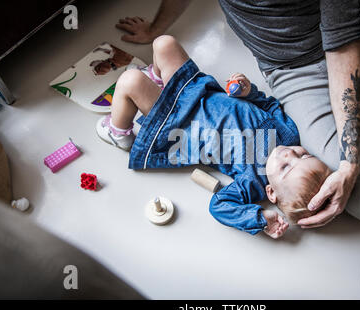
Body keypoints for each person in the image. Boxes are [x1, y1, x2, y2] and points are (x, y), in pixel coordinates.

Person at [116, 0, 360, 228]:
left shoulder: (279, 148)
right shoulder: (266, 168)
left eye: (297, 156)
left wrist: (350, 159)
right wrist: (157, 27)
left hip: (357, 46)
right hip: (293, 71)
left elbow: (343, 43)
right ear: (270, 194)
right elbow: (224, 202)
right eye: (298, 157)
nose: (294, 152)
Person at [95, 36, 332, 239]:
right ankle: (159, 81)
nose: (291, 153)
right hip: (198, 93)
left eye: (285, 166)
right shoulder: (289, 135)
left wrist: (257, 218)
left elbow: (219, 206)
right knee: (164, 43)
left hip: (178, 123)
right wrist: (248, 91)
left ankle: (118, 131)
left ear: (271, 192)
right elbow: (268, 105)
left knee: (130, 80)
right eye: (303, 155)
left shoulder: (253, 183)